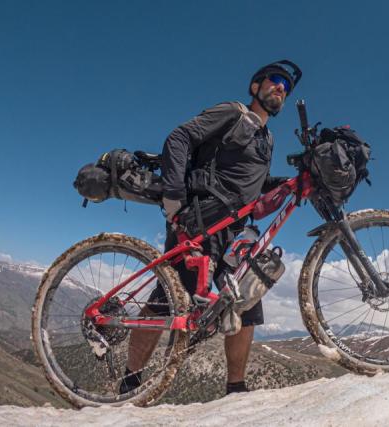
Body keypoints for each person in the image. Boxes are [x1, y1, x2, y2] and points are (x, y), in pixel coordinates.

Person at [120, 60, 301, 396]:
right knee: (167, 302)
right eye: (275, 81)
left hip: (235, 230)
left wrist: (290, 185)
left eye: (286, 88)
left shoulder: (268, 139)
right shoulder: (233, 113)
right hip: (201, 219)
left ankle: (236, 388)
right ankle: (128, 384)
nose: (281, 89)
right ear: (255, 86)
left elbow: (251, 186)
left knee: (245, 302)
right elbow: (179, 137)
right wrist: (174, 193)